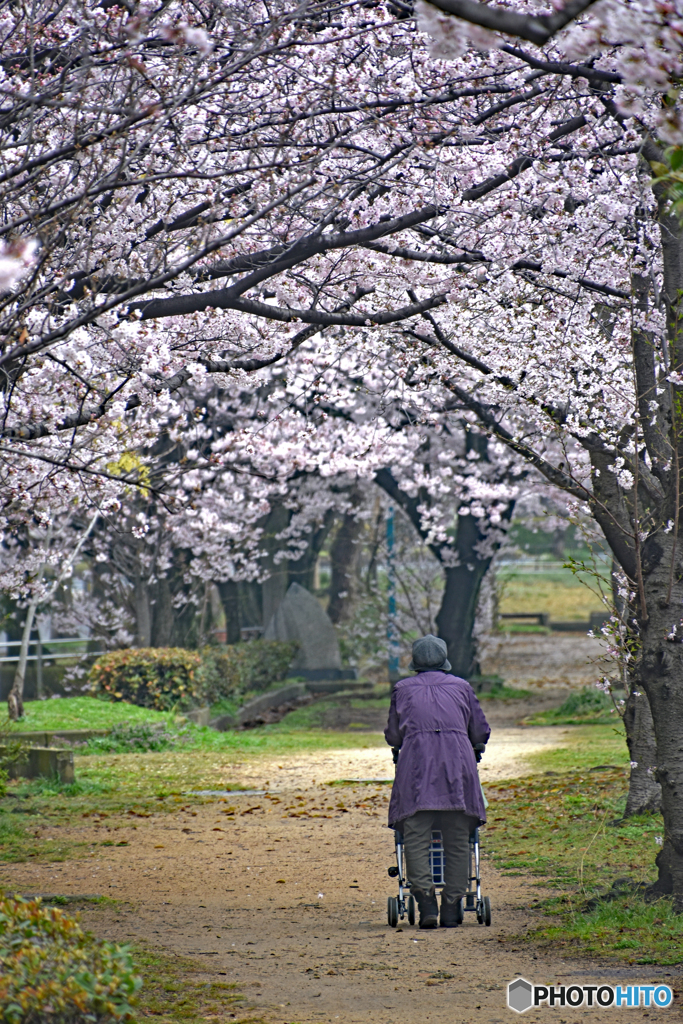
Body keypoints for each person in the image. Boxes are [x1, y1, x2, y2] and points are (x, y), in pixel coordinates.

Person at [384, 634, 490, 929]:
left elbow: (393, 735)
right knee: (457, 839)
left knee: (416, 837)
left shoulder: (402, 689)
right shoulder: (462, 687)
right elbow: (480, 731)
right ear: (445, 661)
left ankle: (426, 902)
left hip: (417, 769)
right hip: (458, 768)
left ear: (414, 662)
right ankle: (453, 907)